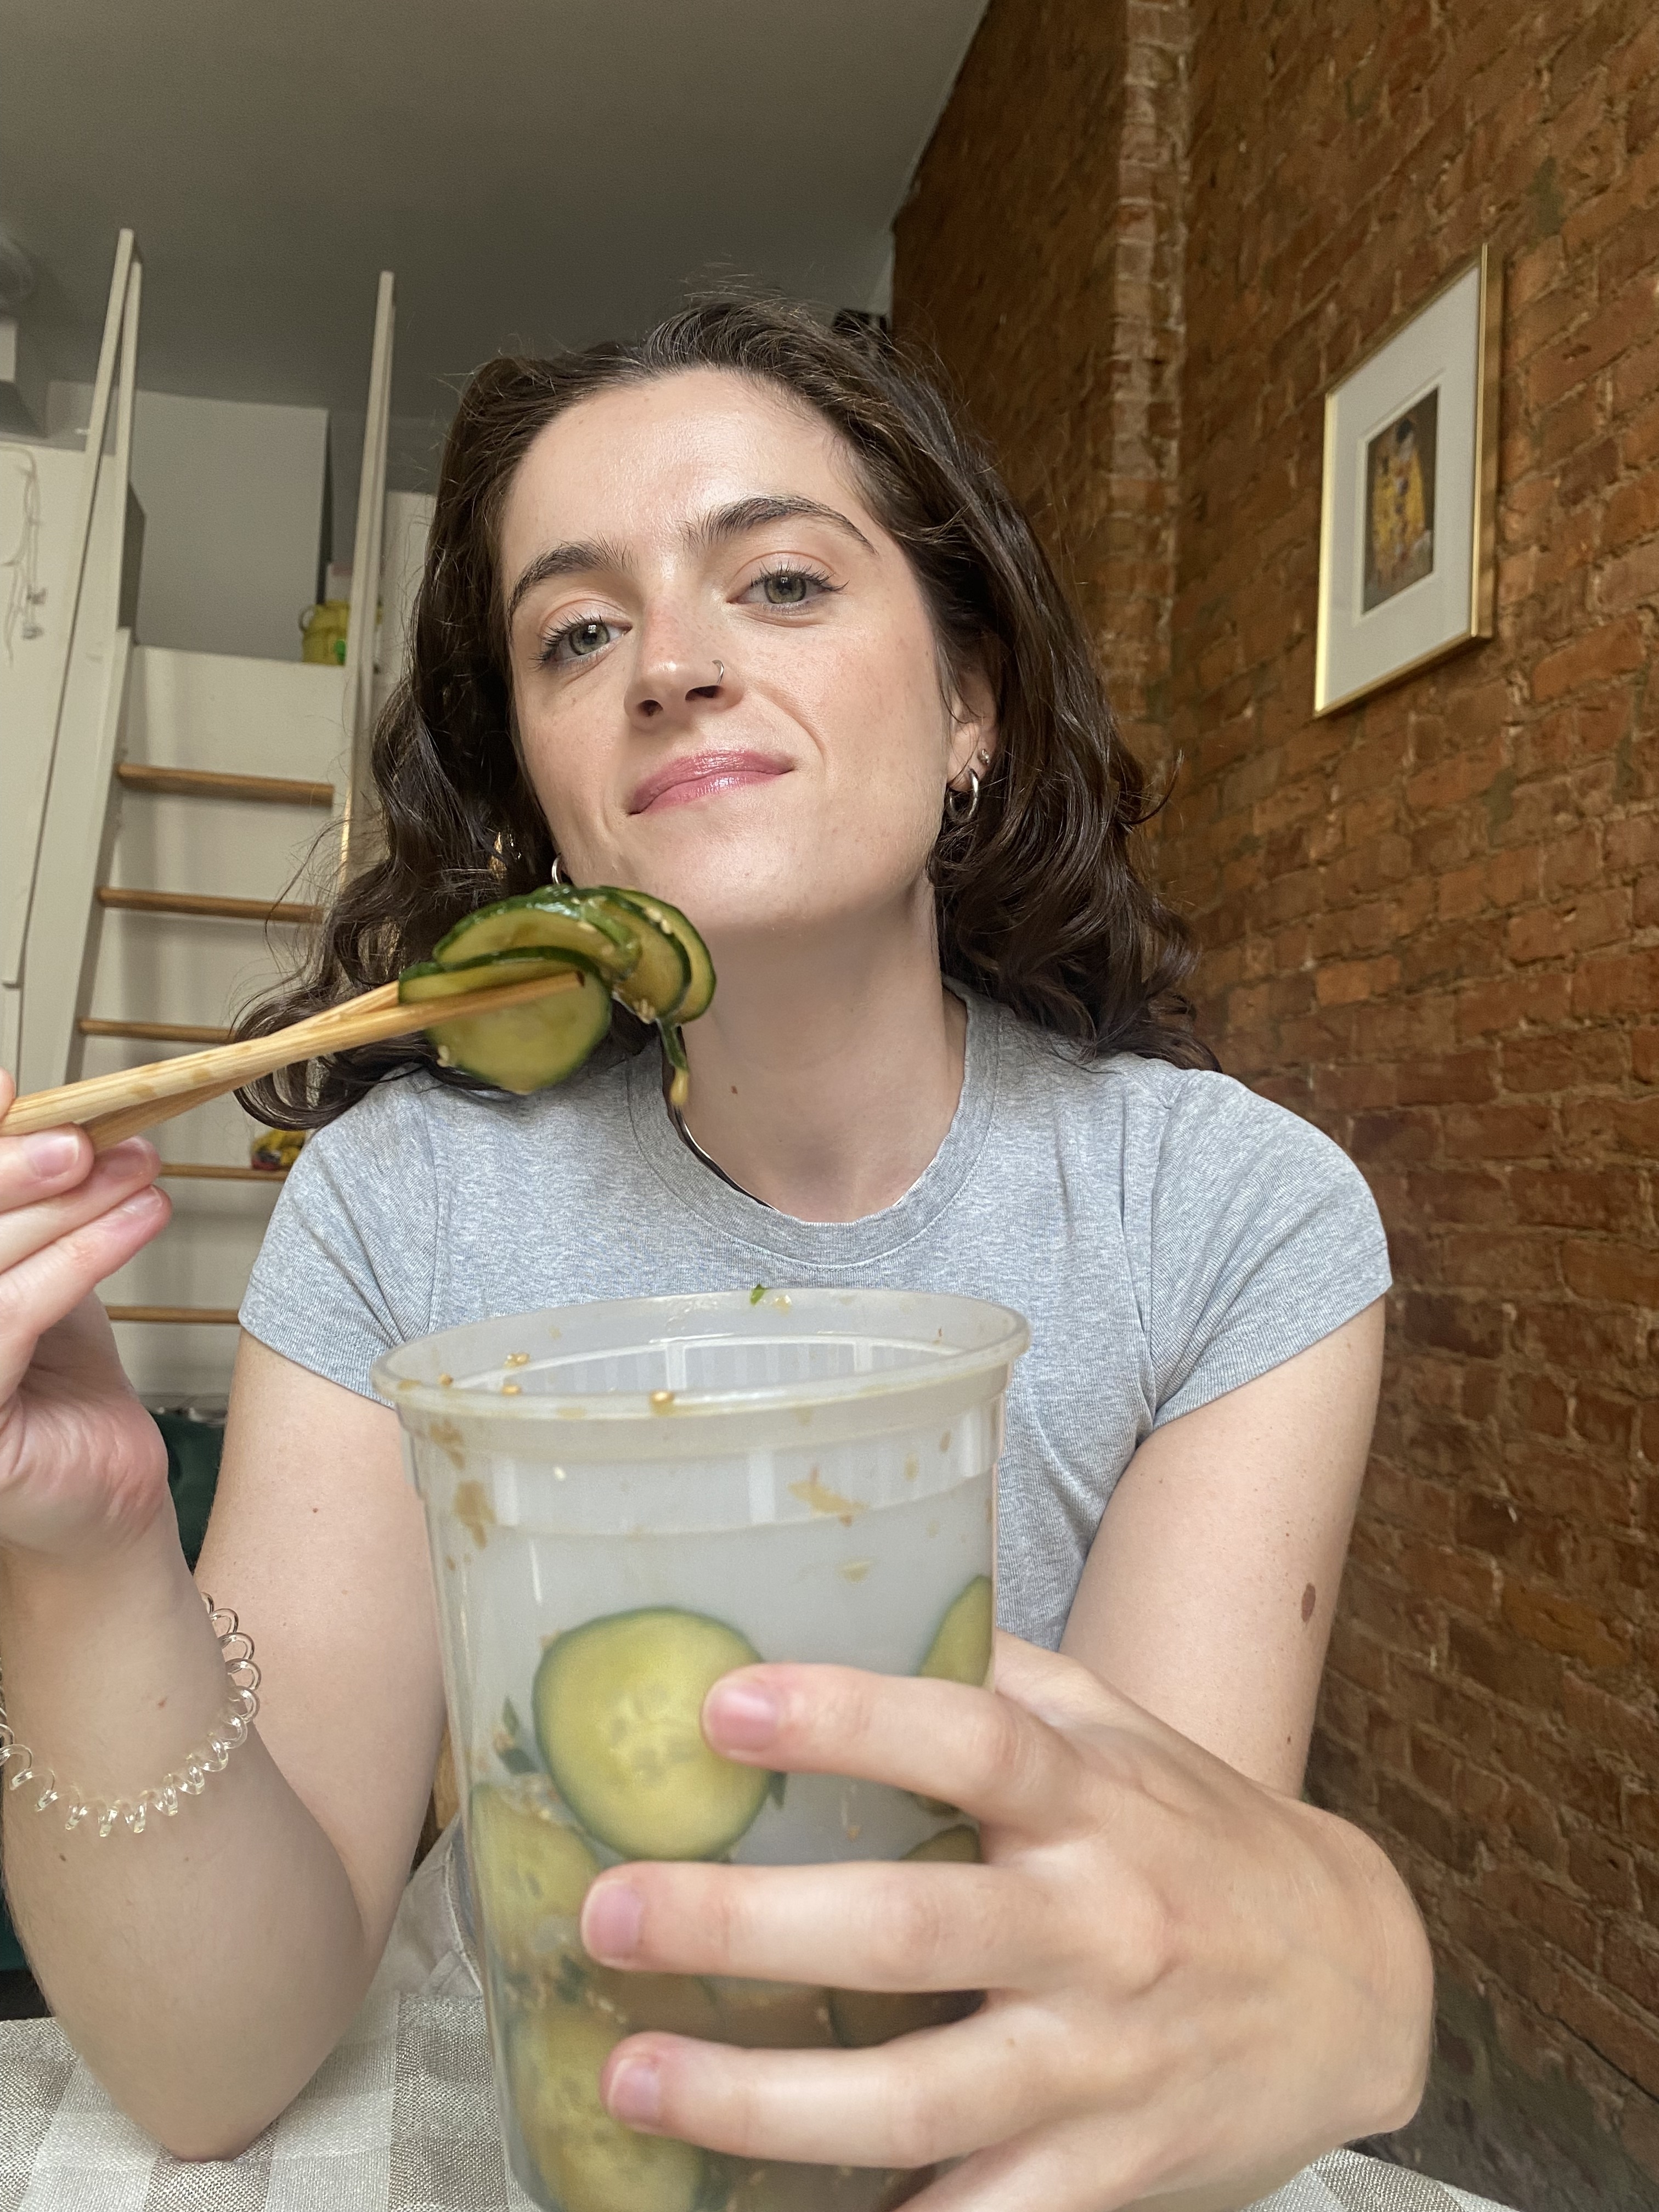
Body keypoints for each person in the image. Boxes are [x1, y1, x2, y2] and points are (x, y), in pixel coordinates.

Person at [0, 300, 1431, 2207]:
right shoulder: (403, 1206)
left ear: (971, 704)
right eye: (578, 634)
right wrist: (88, 1542)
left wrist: (1366, 1968)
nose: (671, 666)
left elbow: (1121, 2019)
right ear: (540, 796)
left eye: (775, 580)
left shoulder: (1227, 1220)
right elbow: (212, 2065)